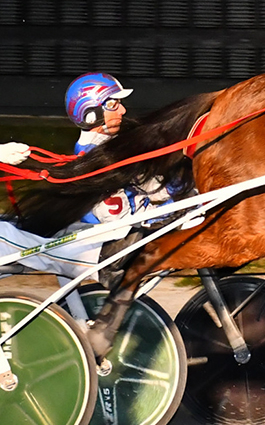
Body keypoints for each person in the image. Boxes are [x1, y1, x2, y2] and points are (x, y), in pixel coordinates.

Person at [0, 72, 166, 278]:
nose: (123, 110)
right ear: (90, 113)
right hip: (111, 239)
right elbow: (119, 218)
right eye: (113, 104)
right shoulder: (96, 157)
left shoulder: (110, 148)